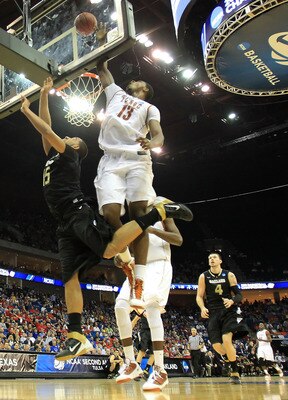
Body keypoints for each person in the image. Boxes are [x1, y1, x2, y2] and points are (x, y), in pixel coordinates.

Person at [20, 78, 193, 362]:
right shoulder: (52, 154)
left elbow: (47, 129)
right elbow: (47, 123)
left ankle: (160, 213)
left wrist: (26, 112)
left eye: (71, 138)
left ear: (76, 146)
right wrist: (42, 96)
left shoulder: (69, 155)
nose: (66, 136)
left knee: (109, 250)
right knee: (70, 278)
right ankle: (76, 336)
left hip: (77, 212)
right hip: (63, 223)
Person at [95, 48, 165, 307]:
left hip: (137, 159)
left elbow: (159, 135)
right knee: (110, 213)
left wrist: (152, 142)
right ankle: (126, 256)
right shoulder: (116, 93)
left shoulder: (149, 108)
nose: (134, 81)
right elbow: (102, 68)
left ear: (145, 89)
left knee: (139, 215)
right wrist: (103, 43)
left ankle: (140, 281)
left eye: (139, 81)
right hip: (111, 159)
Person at [114, 199, 183, 391]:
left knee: (151, 308)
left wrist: (152, 230)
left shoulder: (160, 205)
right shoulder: (133, 213)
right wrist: (119, 260)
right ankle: (131, 362)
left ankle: (160, 370)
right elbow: (119, 252)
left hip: (159, 263)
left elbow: (178, 239)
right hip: (138, 265)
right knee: (120, 307)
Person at [196, 252, 248, 384]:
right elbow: (199, 296)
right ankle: (227, 357)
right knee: (216, 346)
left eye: (214, 257)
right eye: (209, 258)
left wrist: (232, 301)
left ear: (220, 261)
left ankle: (235, 372)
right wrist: (202, 308)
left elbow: (239, 295)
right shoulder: (204, 276)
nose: (211, 259)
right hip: (213, 312)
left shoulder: (229, 275)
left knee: (226, 339)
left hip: (228, 311)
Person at [132, 311, 154, 381]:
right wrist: (129, 330)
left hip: (154, 331)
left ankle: (146, 371)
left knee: (154, 353)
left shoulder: (156, 308)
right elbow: (135, 320)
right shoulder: (142, 309)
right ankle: (136, 371)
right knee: (142, 351)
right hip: (145, 331)